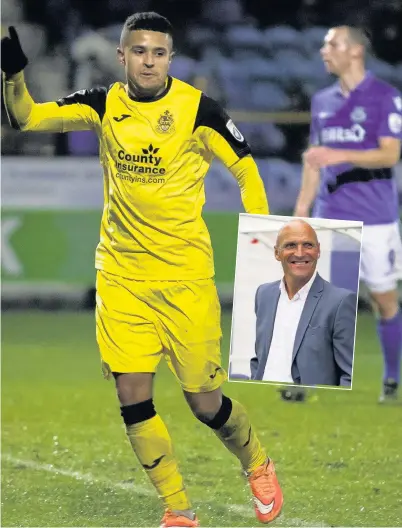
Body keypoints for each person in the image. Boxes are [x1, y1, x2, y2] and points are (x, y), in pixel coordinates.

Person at [1, 13, 284, 527]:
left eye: (158, 53)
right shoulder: (104, 103)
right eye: (139, 51)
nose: (148, 61)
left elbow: (246, 167)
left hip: (184, 279)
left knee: (205, 403)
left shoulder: (199, 110)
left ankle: (256, 461)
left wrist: (263, 237)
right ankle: (178, 509)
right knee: (132, 396)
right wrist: (13, 77)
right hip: (121, 277)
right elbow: (26, 118)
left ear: (170, 59)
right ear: (122, 56)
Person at [294, 25, 402, 402]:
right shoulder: (322, 100)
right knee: (316, 299)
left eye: (332, 44)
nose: (325, 51)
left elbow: (391, 154)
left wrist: (341, 155)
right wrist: (301, 211)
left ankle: (391, 378)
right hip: (331, 215)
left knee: (384, 301)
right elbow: (313, 160)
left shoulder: (385, 97)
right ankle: (304, 380)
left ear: (355, 51)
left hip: (376, 218)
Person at [250, 219, 356, 387]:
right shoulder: (263, 294)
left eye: (308, 245)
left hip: (309, 406)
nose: (300, 253)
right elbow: (260, 356)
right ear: (277, 253)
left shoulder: (340, 301)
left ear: (318, 250)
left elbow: (349, 375)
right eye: (291, 245)